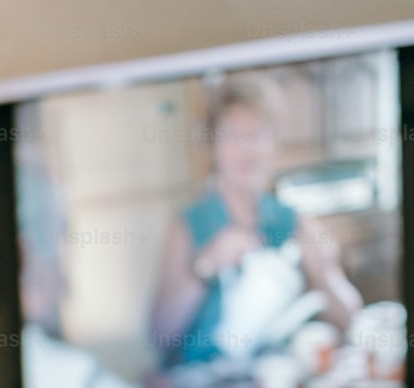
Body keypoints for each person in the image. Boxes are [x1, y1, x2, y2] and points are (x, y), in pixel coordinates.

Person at [150, 76, 362, 368]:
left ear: (274, 144)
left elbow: (351, 320)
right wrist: (205, 265)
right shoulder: (189, 225)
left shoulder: (293, 222)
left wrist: (326, 275)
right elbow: (158, 336)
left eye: (257, 134)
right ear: (213, 146)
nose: (246, 149)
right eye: (233, 135)